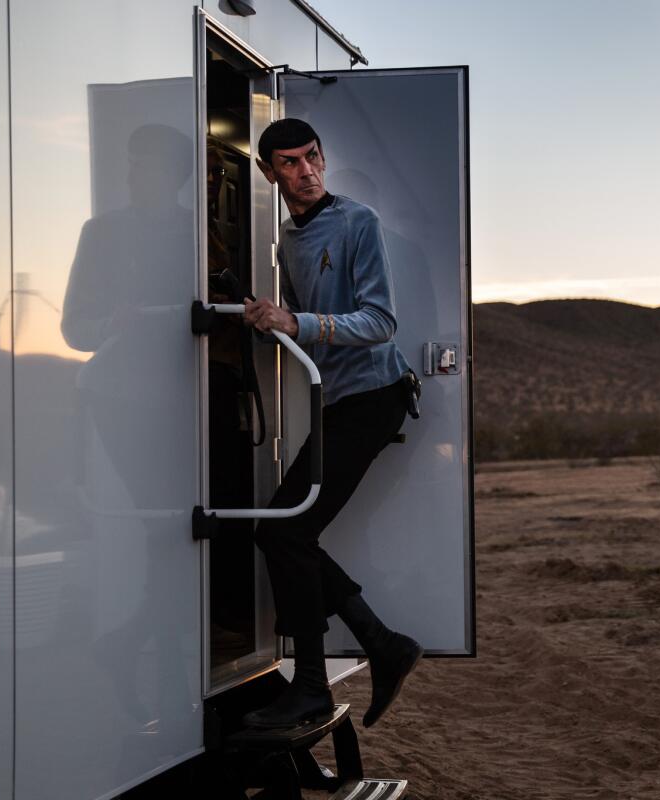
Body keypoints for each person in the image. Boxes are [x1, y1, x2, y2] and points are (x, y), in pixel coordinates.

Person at [240, 118, 422, 729]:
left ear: (324, 157)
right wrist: (270, 317)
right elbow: (306, 316)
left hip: (376, 395)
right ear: (269, 173)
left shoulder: (357, 221)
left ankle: (315, 685)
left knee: (284, 531)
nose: (306, 171)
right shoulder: (289, 238)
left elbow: (379, 321)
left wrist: (298, 324)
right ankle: (382, 643)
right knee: (284, 531)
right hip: (339, 401)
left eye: (312, 157)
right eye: (289, 163)